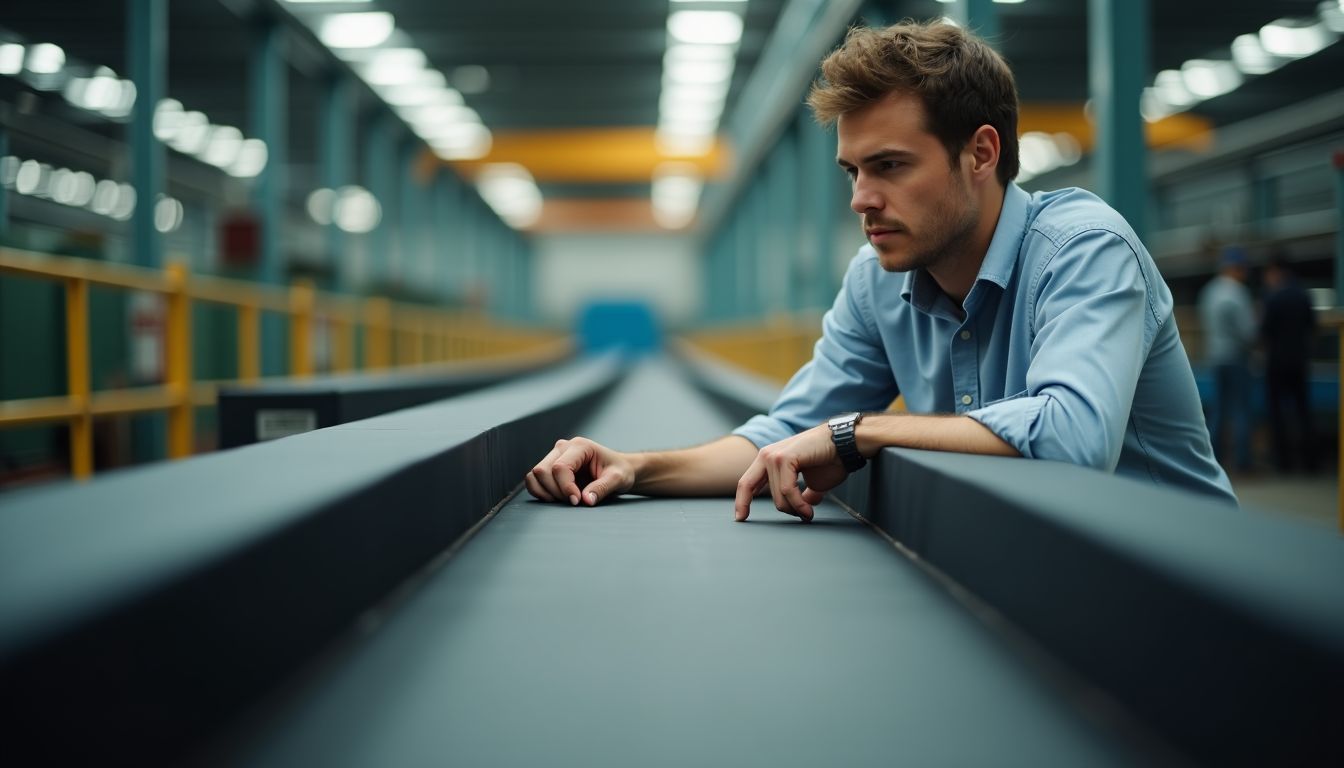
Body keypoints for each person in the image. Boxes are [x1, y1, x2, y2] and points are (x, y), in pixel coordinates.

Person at [525, 21, 1236, 519]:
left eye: (890, 166)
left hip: (1205, 599)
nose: (862, 199)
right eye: (852, 170)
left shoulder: (1084, 250)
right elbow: (789, 430)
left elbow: (1073, 438)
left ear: (981, 154)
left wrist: (861, 431)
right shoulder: (878, 282)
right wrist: (633, 467)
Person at [1197, 246, 1256, 473]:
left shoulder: (1209, 291)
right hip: (1236, 357)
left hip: (1214, 356)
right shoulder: (1238, 293)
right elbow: (1248, 332)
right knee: (1241, 410)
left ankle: (1215, 459)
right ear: (1236, 268)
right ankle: (1243, 462)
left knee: (1219, 409)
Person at [1260, 254, 1317, 472]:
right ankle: (1311, 463)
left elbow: (1264, 331)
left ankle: (1283, 463)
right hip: (1300, 361)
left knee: (1278, 414)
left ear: (1275, 271)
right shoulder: (1303, 295)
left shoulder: (1273, 299)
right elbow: (1312, 327)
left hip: (1276, 363)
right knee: (1304, 412)